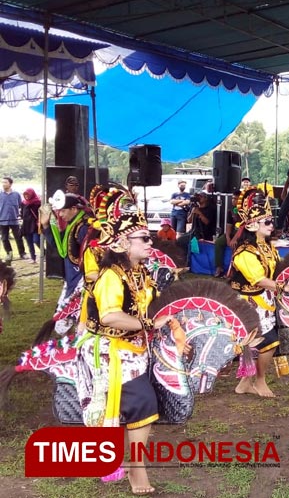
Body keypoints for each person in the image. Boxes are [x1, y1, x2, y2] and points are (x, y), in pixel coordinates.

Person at [75, 187, 172, 495]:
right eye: (143, 238)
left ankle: (131, 464)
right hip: (111, 351)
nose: (150, 241)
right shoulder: (110, 277)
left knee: (144, 403)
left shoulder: (140, 272)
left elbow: (151, 304)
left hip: (134, 349)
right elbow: (110, 316)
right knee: (143, 403)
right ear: (120, 243)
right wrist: (148, 323)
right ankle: (136, 470)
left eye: (149, 236)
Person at [230, 191, 283, 398]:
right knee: (267, 341)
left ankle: (246, 382)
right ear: (252, 225)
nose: (272, 225)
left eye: (272, 221)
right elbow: (257, 279)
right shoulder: (245, 252)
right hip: (248, 302)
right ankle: (258, 381)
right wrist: (283, 287)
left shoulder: (268, 247)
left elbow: (275, 273)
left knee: (262, 342)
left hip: (265, 301)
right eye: (267, 221)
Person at [39, 193, 92, 335]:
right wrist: (45, 225)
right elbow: (60, 247)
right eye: (58, 211)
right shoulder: (73, 226)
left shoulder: (84, 228)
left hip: (82, 282)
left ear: (74, 209)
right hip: (72, 281)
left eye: (63, 210)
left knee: (70, 319)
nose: (60, 215)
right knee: (64, 320)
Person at [0, 177, 26, 263]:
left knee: (18, 237)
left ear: (10, 184)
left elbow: (20, 205)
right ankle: (9, 253)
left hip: (14, 219)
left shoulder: (16, 194)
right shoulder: (0, 194)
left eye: (5, 182)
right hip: (2, 220)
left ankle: (22, 253)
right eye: (2, 182)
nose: (3, 184)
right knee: (4, 238)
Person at [20, 187, 41, 263]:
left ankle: (44, 253)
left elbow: (40, 214)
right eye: (25, 195)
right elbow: (22, 214)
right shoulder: (23, 203)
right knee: (29, 242)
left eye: (28, 194)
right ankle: (33, 258)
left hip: (35, 225)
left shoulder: (38, 203)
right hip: (26, 225)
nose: (26, 196)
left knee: (36, 240)